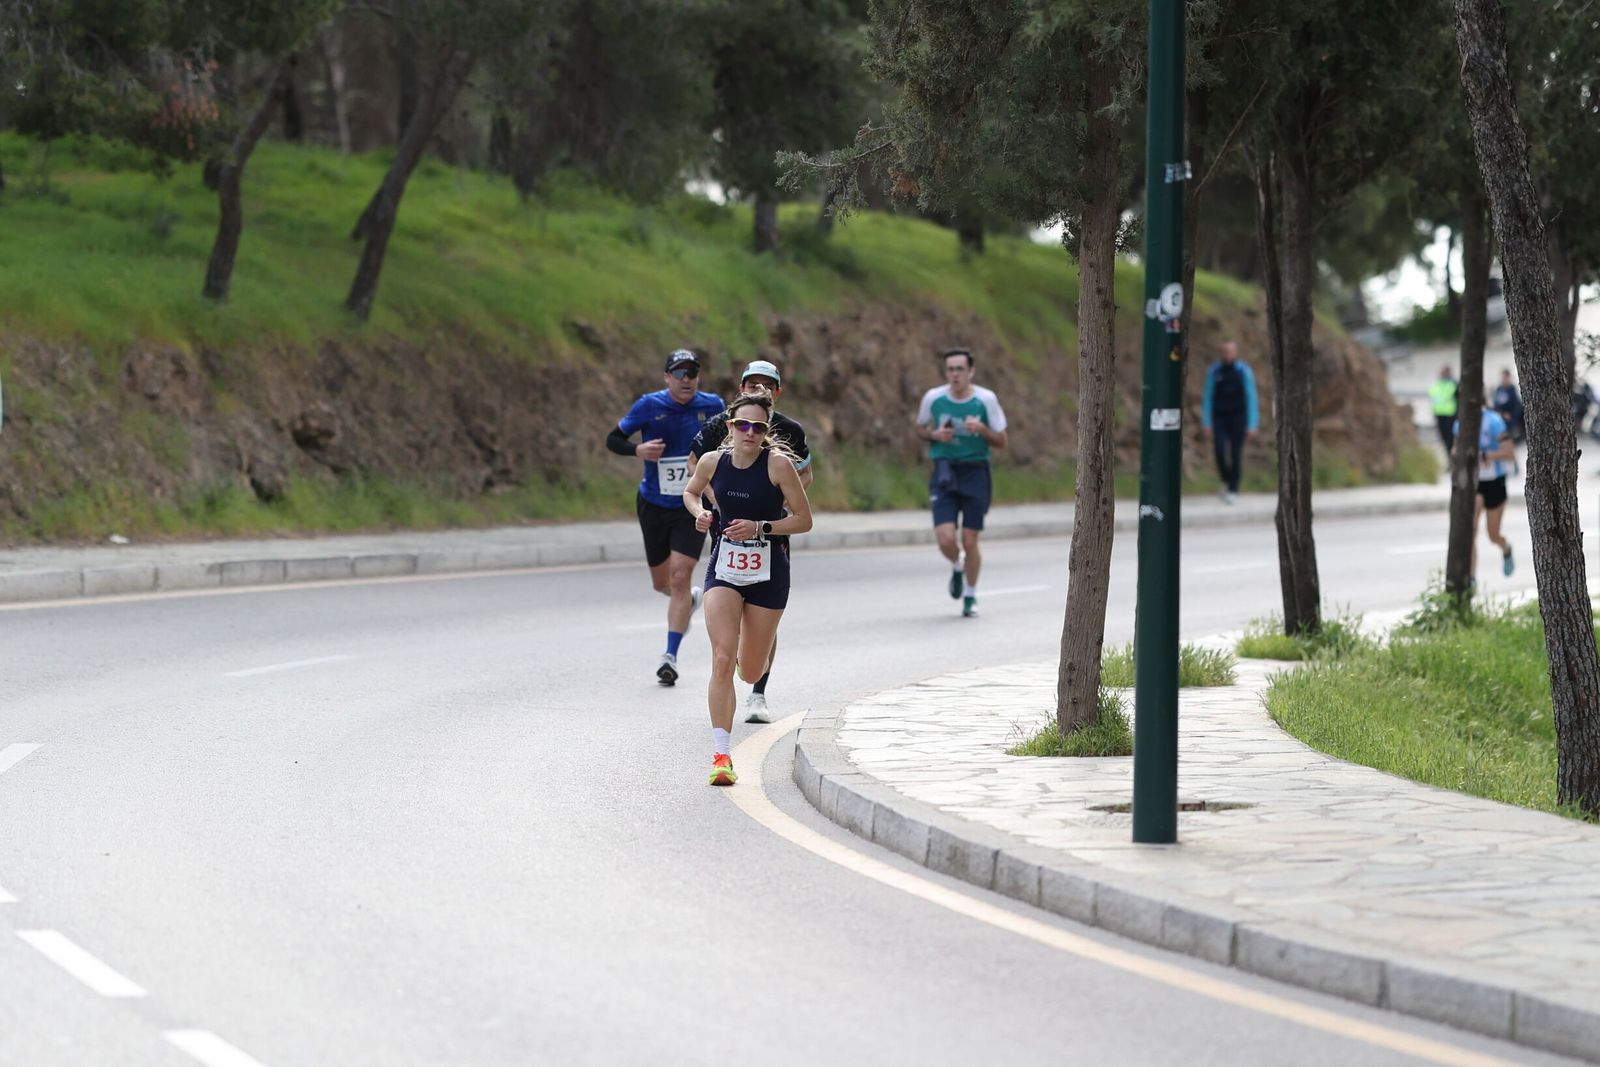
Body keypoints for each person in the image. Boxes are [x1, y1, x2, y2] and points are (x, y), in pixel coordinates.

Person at [682, 393, 813, 785]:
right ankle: (722, 755)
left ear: (766, 430)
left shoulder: (779, 465)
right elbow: (690, 491)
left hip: (769, 574)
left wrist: (761, 528)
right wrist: (700, 513)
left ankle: (754, 647)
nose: (750, 432)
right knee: (722, 660)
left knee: (751, 669)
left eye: (758, 427)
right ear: (730, 427)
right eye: (742, 425)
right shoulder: (712, 461)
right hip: (724, 569)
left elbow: (804, 520)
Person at [606, 349, 725, 686]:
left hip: (692, 504)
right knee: (663, 584)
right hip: (654, 504)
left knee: (679, 576)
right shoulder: (649, 405)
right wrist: (637, 450)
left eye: (692, 373)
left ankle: (669, 656)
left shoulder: (713, 406)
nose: (687, 379)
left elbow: (729, 445)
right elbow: (613, 439)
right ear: (667, 377)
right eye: (680, 373)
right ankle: (688, 601)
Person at [915, 347, 1008, 618]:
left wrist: (982, 430)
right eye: (950, 369)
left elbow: (1002, 440)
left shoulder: (985, 400)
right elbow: (919, 428)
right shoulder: (933, 398)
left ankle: (970, 595)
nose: (955, 374)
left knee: (969, 539)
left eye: (960, 369)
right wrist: (934, 435)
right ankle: (957, 565)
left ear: (971, 371)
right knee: (945, 538)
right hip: (944, 470)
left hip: (975, 471)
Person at [1199, 339, 1260, 503]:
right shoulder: (1214, 371)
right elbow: (1208, 397)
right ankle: (1226, 480)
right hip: (1220, 417)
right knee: (1219, 450)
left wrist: (1252, 424)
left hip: (1238, 417)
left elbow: (1251, 397)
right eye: (1225, 351)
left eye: (1230, 351)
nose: (1227, 354)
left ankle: (1233, 488)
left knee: (1235, 453)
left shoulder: (1243, 371)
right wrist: (1206, 422)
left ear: (1235, 352)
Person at [1465, 397, 1517, 583]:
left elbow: (1509, 453)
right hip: (1475, 484)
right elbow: (1455, 449)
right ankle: (1471, 578)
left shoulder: (1494, 421)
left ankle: (1506, 548)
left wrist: (1486, 455)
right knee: (1470, 532)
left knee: (1492, 535)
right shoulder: (1461, 422)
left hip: (1495, 482)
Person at [1430, 364, 1460, 454]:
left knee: (1451, 439)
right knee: (1444, 440)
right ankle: (1449, 457)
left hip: (1451, 416)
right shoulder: (1437, 384)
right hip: (1439, 416)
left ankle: (1452, 457)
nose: (1442, 374)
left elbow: (1458, 400)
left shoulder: (1454, 384)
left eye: (1444, 372)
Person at [1491, 368, 1524, 444]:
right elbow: (1496, 405)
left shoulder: (1512, 389)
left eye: (1506, 377)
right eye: (1503, 377)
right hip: (1501, 415)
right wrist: (1502, 413)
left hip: (1511, 416)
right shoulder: (1499, 389)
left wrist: (1510, 415)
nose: (1504, 379)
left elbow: (1516, 405)